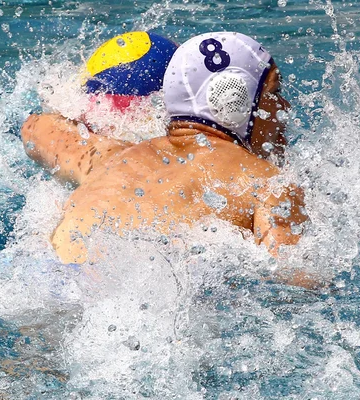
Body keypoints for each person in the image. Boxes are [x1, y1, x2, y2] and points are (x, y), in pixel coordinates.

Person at [22, 32, 312, 286]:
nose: (284, 107)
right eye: (275, 92)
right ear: (235, 101)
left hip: (45, 276)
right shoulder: (269, 185)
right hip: (130, 294)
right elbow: (295, 281)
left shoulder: (111, 157)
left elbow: (36, 128)